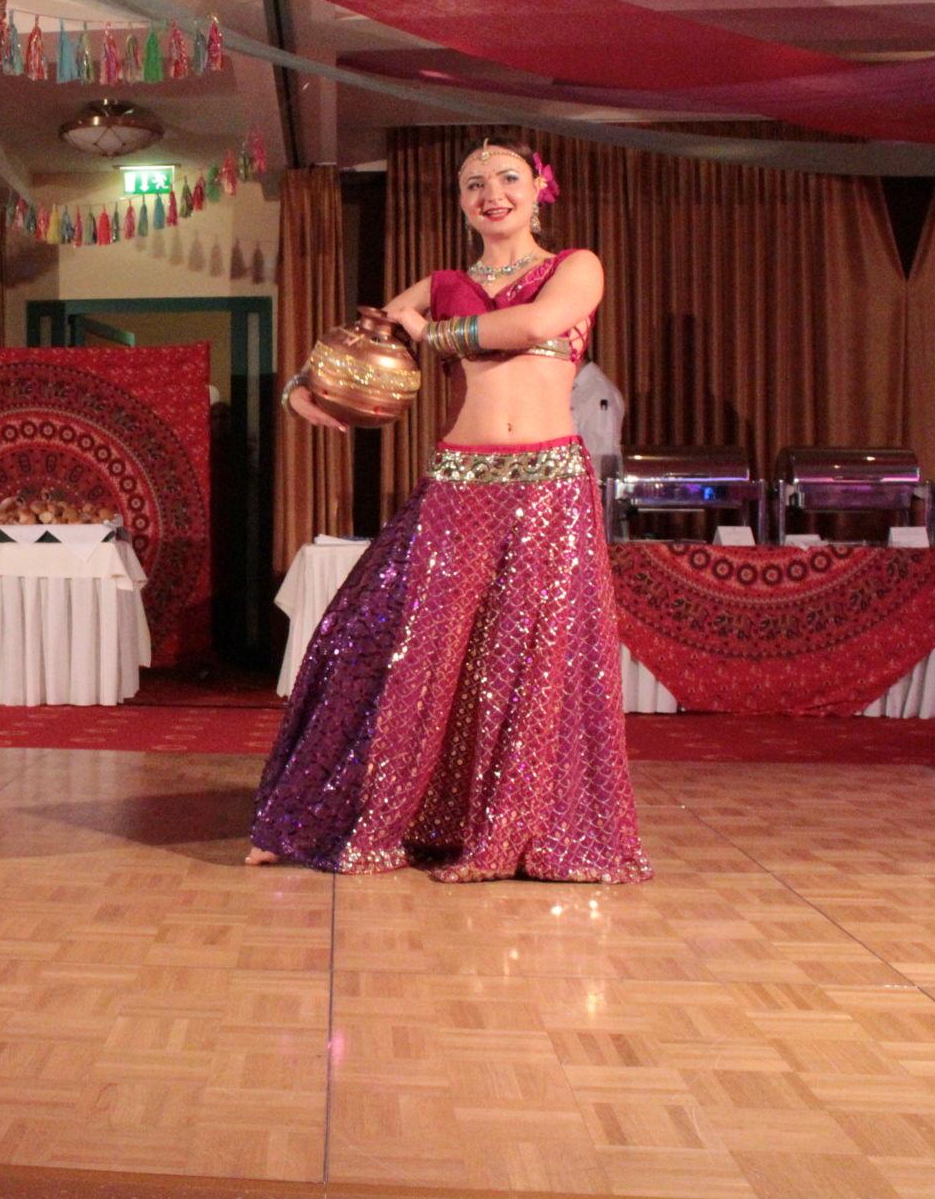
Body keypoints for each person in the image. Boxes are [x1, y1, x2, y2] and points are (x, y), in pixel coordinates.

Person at [250, 137, 650, 883]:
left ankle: (504, 834)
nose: (492, 193)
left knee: (525, 661)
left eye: (507, 178)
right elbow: (359, 340)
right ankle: (326, 816)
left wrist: (430, 333)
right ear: (462, 203)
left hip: (548, 488)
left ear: (539, 190)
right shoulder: (441, 283)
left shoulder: (576, 267)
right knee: (386, 643)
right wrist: (301, 387)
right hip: (460, 483)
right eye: (473, 184)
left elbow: (532, 327)